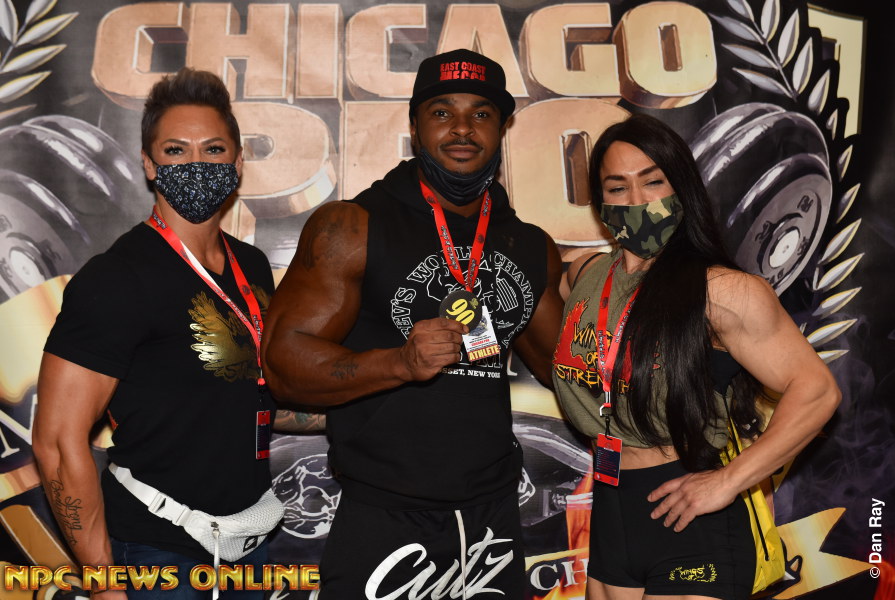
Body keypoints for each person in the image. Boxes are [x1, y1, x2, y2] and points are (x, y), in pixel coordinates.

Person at [261, 48, 563, 598]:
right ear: (415, 126)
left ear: (501, 128)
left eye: (481, 114)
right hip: (385, 512)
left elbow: (565, 370)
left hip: (492, 514)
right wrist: (399, 363)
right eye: (442, 113)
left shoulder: (528, 245)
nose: (462, 129)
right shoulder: (353, 226)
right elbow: (283, 364)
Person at [32, 68, 317, 599]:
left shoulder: (252, 265)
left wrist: (379, 396)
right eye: (175, 151)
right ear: (149, 163)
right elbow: (56, 441)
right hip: (158, 555)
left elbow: (249, 395)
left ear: (237, 163)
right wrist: (103, 584)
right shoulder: (117, 278)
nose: (196, 164)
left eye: (213, 150)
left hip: (248, 546)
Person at [552, 114, 841, 600]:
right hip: (612, 508)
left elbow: (818, 391)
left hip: (689, 512)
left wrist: (728, 482)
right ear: (600, 201)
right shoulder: (586, 275)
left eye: (653, 181)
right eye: (617, 187)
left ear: (681, 186)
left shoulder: (722, 290)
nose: (637, 200)